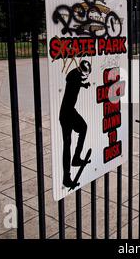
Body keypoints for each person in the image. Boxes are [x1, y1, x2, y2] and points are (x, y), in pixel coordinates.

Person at [59, 60, 92, 189]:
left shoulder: (78, 77)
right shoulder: (73, 76)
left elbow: (77, 82)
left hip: (70, 110)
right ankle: (66, 178)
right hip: (66, 113)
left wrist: (84, 85)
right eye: (85, 74)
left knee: (83, 128)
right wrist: (80, 82)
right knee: (67, 144)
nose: (86, 76)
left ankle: (76, 158)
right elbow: (70, 79)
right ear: (80, 70)